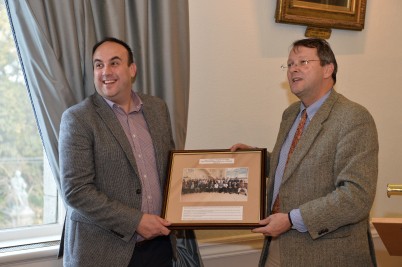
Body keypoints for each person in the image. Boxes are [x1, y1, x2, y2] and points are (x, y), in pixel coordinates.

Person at [231, 38, 378, 266]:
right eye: (289, 64)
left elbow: (356, 196)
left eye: (303, 62)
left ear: (328, 69)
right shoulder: (290, 114)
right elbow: (296, 167)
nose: (293, 69)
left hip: (326, 254)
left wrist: (291, 219)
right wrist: (257, 160)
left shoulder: (353, 117)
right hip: (277, 247)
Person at [58, 37, 202, 267]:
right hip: (103, 254)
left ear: (132, 69)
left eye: (114, 63)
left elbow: (172, 170)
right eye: (98, 64)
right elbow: (77, 191)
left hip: (159, 248)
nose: (106, 71)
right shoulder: (78, 119)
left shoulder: (157, 108)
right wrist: (136, 221)